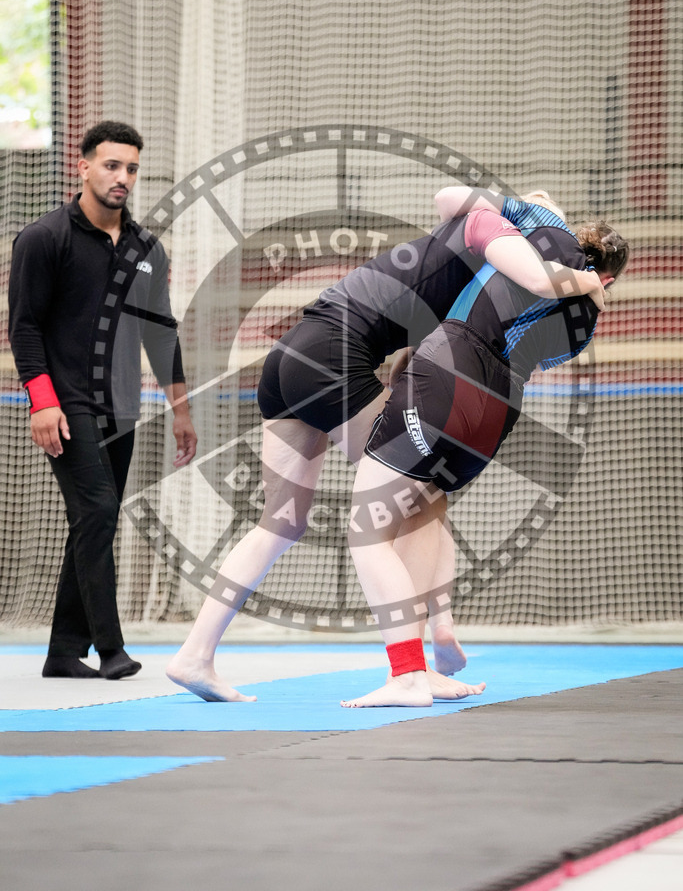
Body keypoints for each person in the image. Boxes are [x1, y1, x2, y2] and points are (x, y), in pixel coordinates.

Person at [166, 186, 606, 703]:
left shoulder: (459, 264)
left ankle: (195, 654)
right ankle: (422, 659)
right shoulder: (490, 229)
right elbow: (534, 272)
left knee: (280, 524)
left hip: (291, 357)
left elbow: (414, 337)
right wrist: (591, 280)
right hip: (334, 357)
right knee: (420, 497)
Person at [340, 200, 629, 707]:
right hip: (499, 411)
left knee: (369, 528)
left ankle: (407, 673)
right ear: (611, 279)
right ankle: (434, 644)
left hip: (454, 367)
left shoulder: (544, 229)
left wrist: (530, 207)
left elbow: (452, 200)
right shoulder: (586, 323)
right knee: (425, 515)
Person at [8, 121, 198, 680]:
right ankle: (110, 647)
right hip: (66, 404)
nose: (123, 178)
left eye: (132, 168)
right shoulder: (44, 239)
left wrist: (180, 409)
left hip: (122, 406)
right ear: (82, 166)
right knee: (98, 510)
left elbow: (161, 332)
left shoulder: (146, 249)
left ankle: (63, 652)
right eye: (112, 165)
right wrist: (42, 402)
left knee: (95, 520)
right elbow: (23, 328)